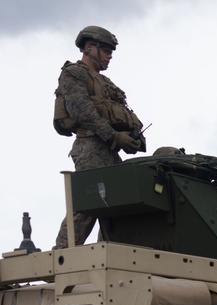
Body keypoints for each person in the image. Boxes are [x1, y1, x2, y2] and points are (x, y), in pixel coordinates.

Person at [53, 26, 145, 248]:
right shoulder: (73, 73)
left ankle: (108, 257)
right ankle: (61, 259)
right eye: (105, 50)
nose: (109, 55)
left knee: (117, 206)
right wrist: (114, 137)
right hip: (90, 146)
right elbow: (82, 111)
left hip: (109, 150)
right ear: (88, 48)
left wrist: (133, 137)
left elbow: (123, 111)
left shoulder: (106, 84)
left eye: (111, 51)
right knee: (88, 204)